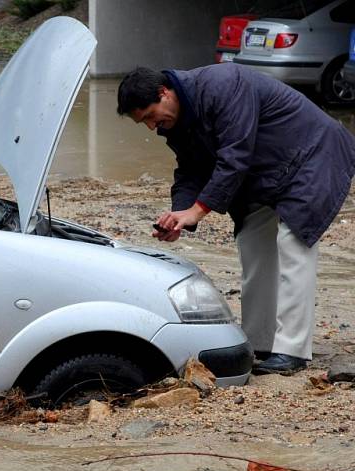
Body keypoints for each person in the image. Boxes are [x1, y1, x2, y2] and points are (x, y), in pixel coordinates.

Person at [117, 63, 355, 375]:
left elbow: (235, 156)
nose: (151, 126)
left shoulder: (225, 84)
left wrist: (199, 209)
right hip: (267, 172)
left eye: (149, 115)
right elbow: (190, 170)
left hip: (314, 155)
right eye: (144, 122)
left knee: (293, 243)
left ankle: (292, 350)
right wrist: (181, 215)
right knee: (252, 245)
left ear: (164, 93)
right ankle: (259, 342)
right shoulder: (174, 120)